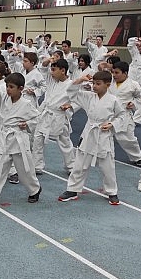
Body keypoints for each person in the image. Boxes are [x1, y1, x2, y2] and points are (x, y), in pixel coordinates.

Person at [58, 71, 126, 205]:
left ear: (107, 85)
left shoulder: (113, 100)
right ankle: (73, 189)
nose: (94, 86)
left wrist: (112, 124)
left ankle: (111, 191)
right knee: (80, 164)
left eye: (98, 84)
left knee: (108, 167)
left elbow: (122, 115)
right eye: (93, 83)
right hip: (89, 133)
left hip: (103, 135)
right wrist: (79, 80)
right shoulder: (88, 97)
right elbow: (71, 93)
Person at [0, 72, 42, 207]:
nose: (8, 89)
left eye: (11, 87)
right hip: (5, 138)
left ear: (21, 88)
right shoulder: (3, 99)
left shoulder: (26, 104)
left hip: (19, 139)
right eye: (7, 86)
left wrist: (27, 125)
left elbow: (37, 119)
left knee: (25, 170)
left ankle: (34, 190)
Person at [109, 61, 141, 166]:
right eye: (113, 72)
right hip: (109, 113)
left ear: (125, 73)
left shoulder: (133, 84)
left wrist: (133, 103)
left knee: (127, 138)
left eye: (117, 73)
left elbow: (140, 97)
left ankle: (137, 157)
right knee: (99, 133)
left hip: (124, 114)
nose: (114, 75)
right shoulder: (109, 82)